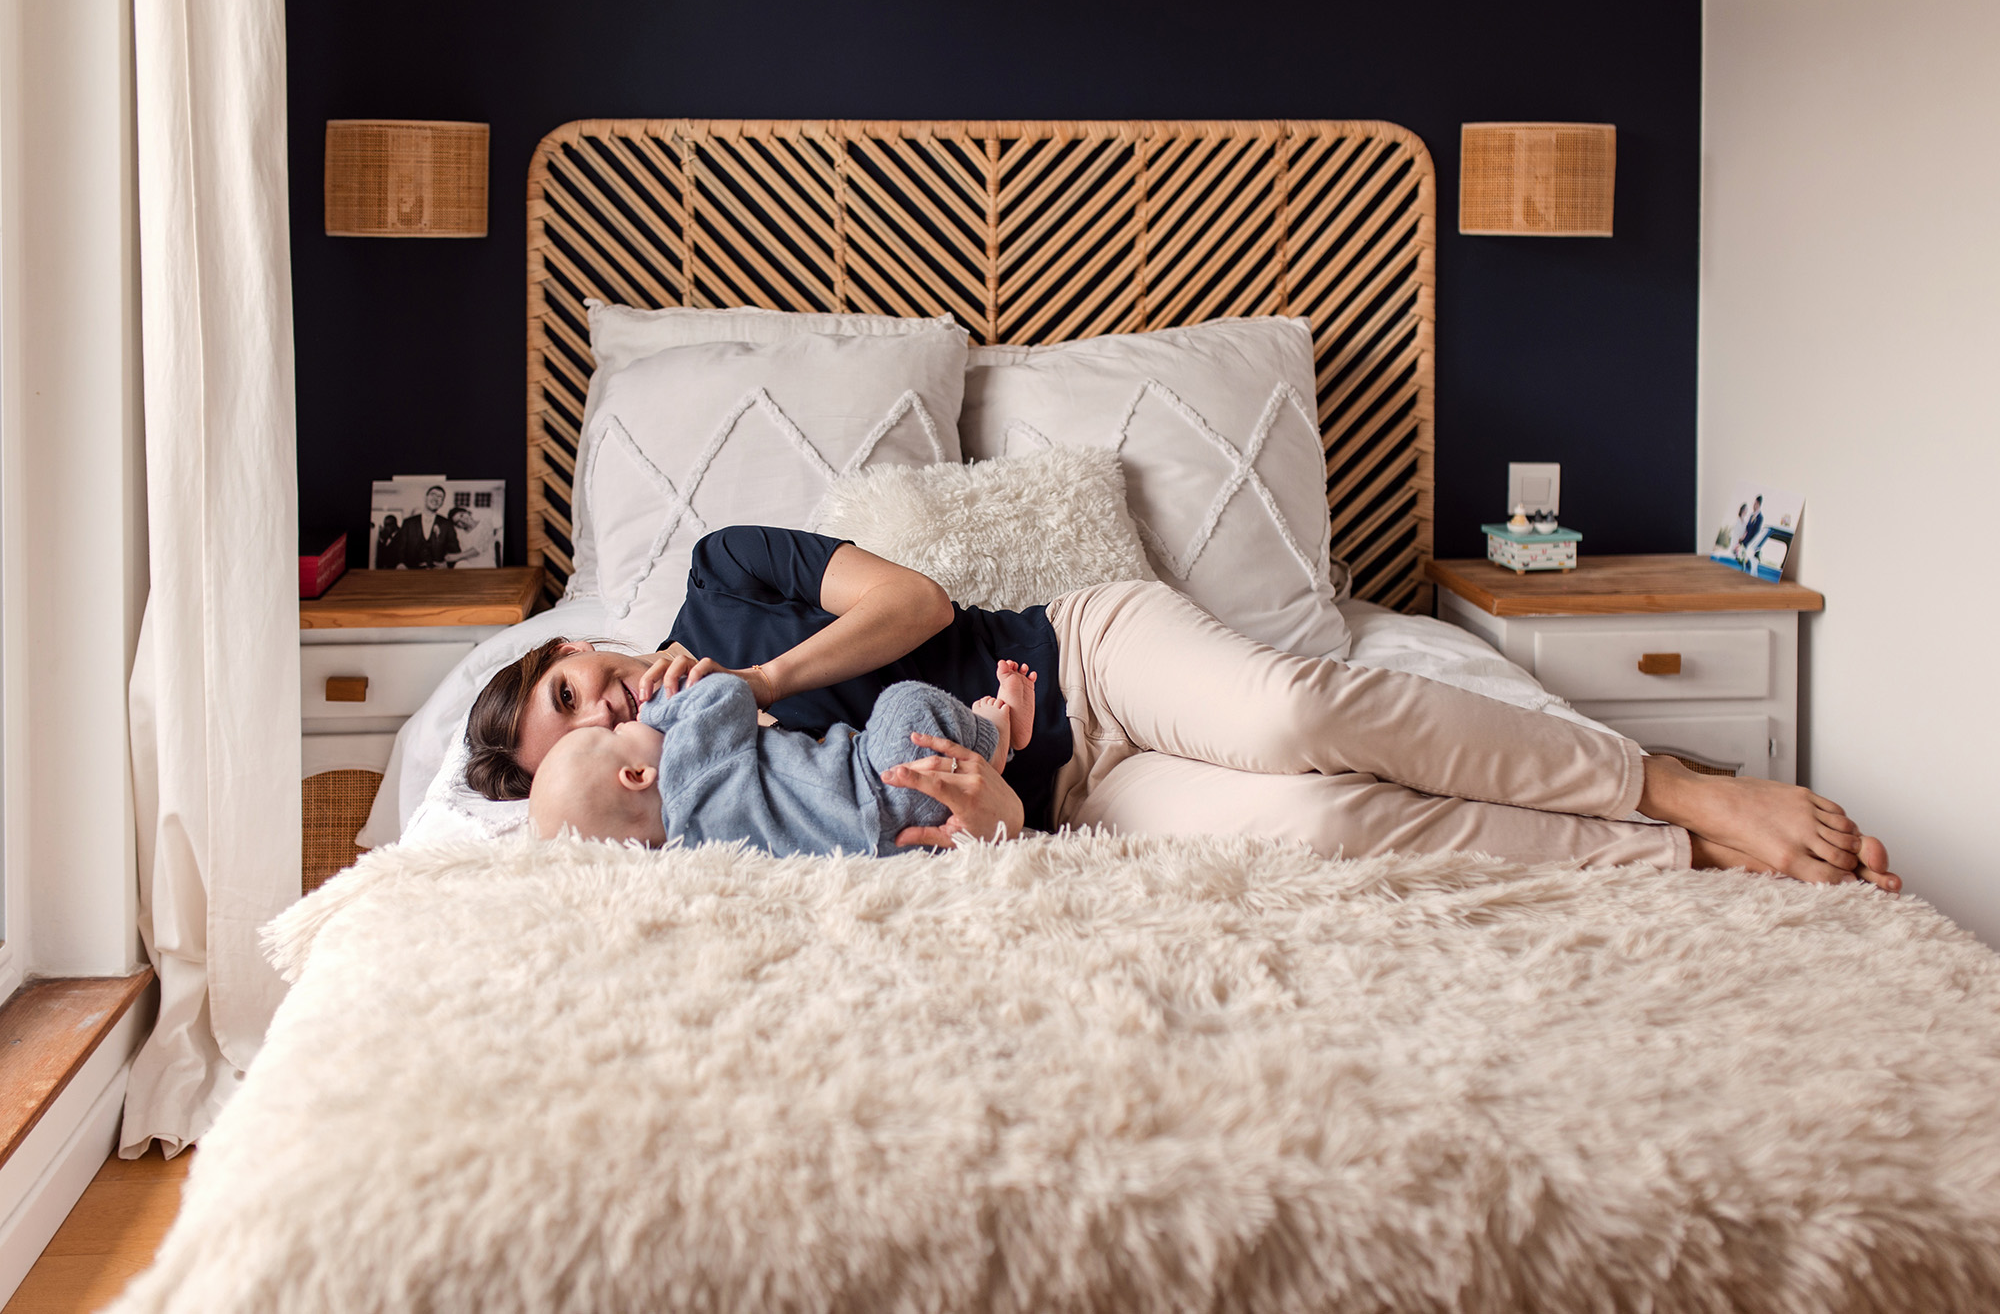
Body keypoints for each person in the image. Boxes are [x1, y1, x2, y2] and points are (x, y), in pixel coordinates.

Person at [465, 526, 1896, 893]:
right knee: (1316, 827)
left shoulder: (721, 587)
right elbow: (968, 848)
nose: (611, 712)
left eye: (583, 692)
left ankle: (1678, 785)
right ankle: (1671, 857)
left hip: (1086, 652)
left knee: (1287, 716)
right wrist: (996, 816)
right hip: (1074, 789)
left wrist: (758, 683)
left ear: (592, 651)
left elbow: (910, 601)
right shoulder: (718, 821)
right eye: (589, 737)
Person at [528, 662, 1037, 854]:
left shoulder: (692, 848)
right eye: (618, 734)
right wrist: (667, 706)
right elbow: (727, 694)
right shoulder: (691, 765)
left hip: (891, 844)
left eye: (568, 697)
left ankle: (990, 749)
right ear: (638, 774)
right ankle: (996, 734)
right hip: (879, 779)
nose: (615, 718)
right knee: (905, 705)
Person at [408, 485, 459, 568]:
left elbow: (455, 551)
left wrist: (446, 565)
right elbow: (400, 548)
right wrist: (400, 564)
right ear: (426, 497)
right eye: (433, 494)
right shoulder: (408, 523)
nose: (435, 499)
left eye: (440, 497)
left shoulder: (447, 524)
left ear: (442, 503)